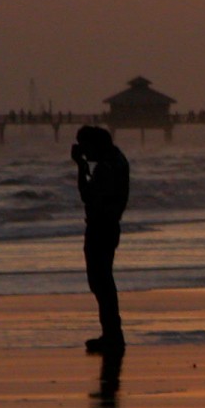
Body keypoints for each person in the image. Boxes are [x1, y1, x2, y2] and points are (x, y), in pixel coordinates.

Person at [72, 124, 130, 353]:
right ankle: (112, 333)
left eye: (86, 147)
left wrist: (80, 168)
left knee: (100, 283)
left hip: (100, 227)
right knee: (104, 281)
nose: (85, 152)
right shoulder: (118, 161)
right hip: (110, 225)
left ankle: (112, 335)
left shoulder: (105, 168)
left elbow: (88, 196)